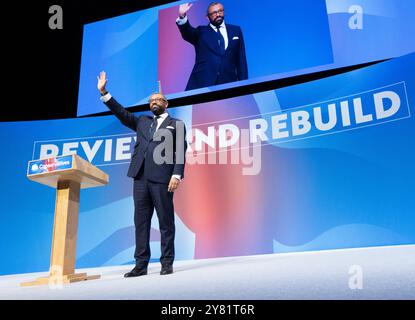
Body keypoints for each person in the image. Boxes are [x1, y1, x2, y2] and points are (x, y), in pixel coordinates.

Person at [97, 71, 187, 277]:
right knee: (141, 222)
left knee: (165, 221)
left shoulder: (177, 125)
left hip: (163, 179)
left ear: (166, 104)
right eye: (151, 100)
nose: (154, 102)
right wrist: (104, 93)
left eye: (158, 99)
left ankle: (166, 263)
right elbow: (122, 113)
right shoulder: (143, 122)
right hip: (140, 179)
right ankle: (141, 265)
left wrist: (176, 175)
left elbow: (181, 150)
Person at [176, 2, 248, 91]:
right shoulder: (201, 32)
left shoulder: (236, 30)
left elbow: (241, 61)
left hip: (228, 83)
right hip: (203, 83)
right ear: (207, 17)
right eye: (214, 13)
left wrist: (244, 85)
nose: (218, 14)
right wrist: (182, 16)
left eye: (220, 11)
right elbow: (188, 32)